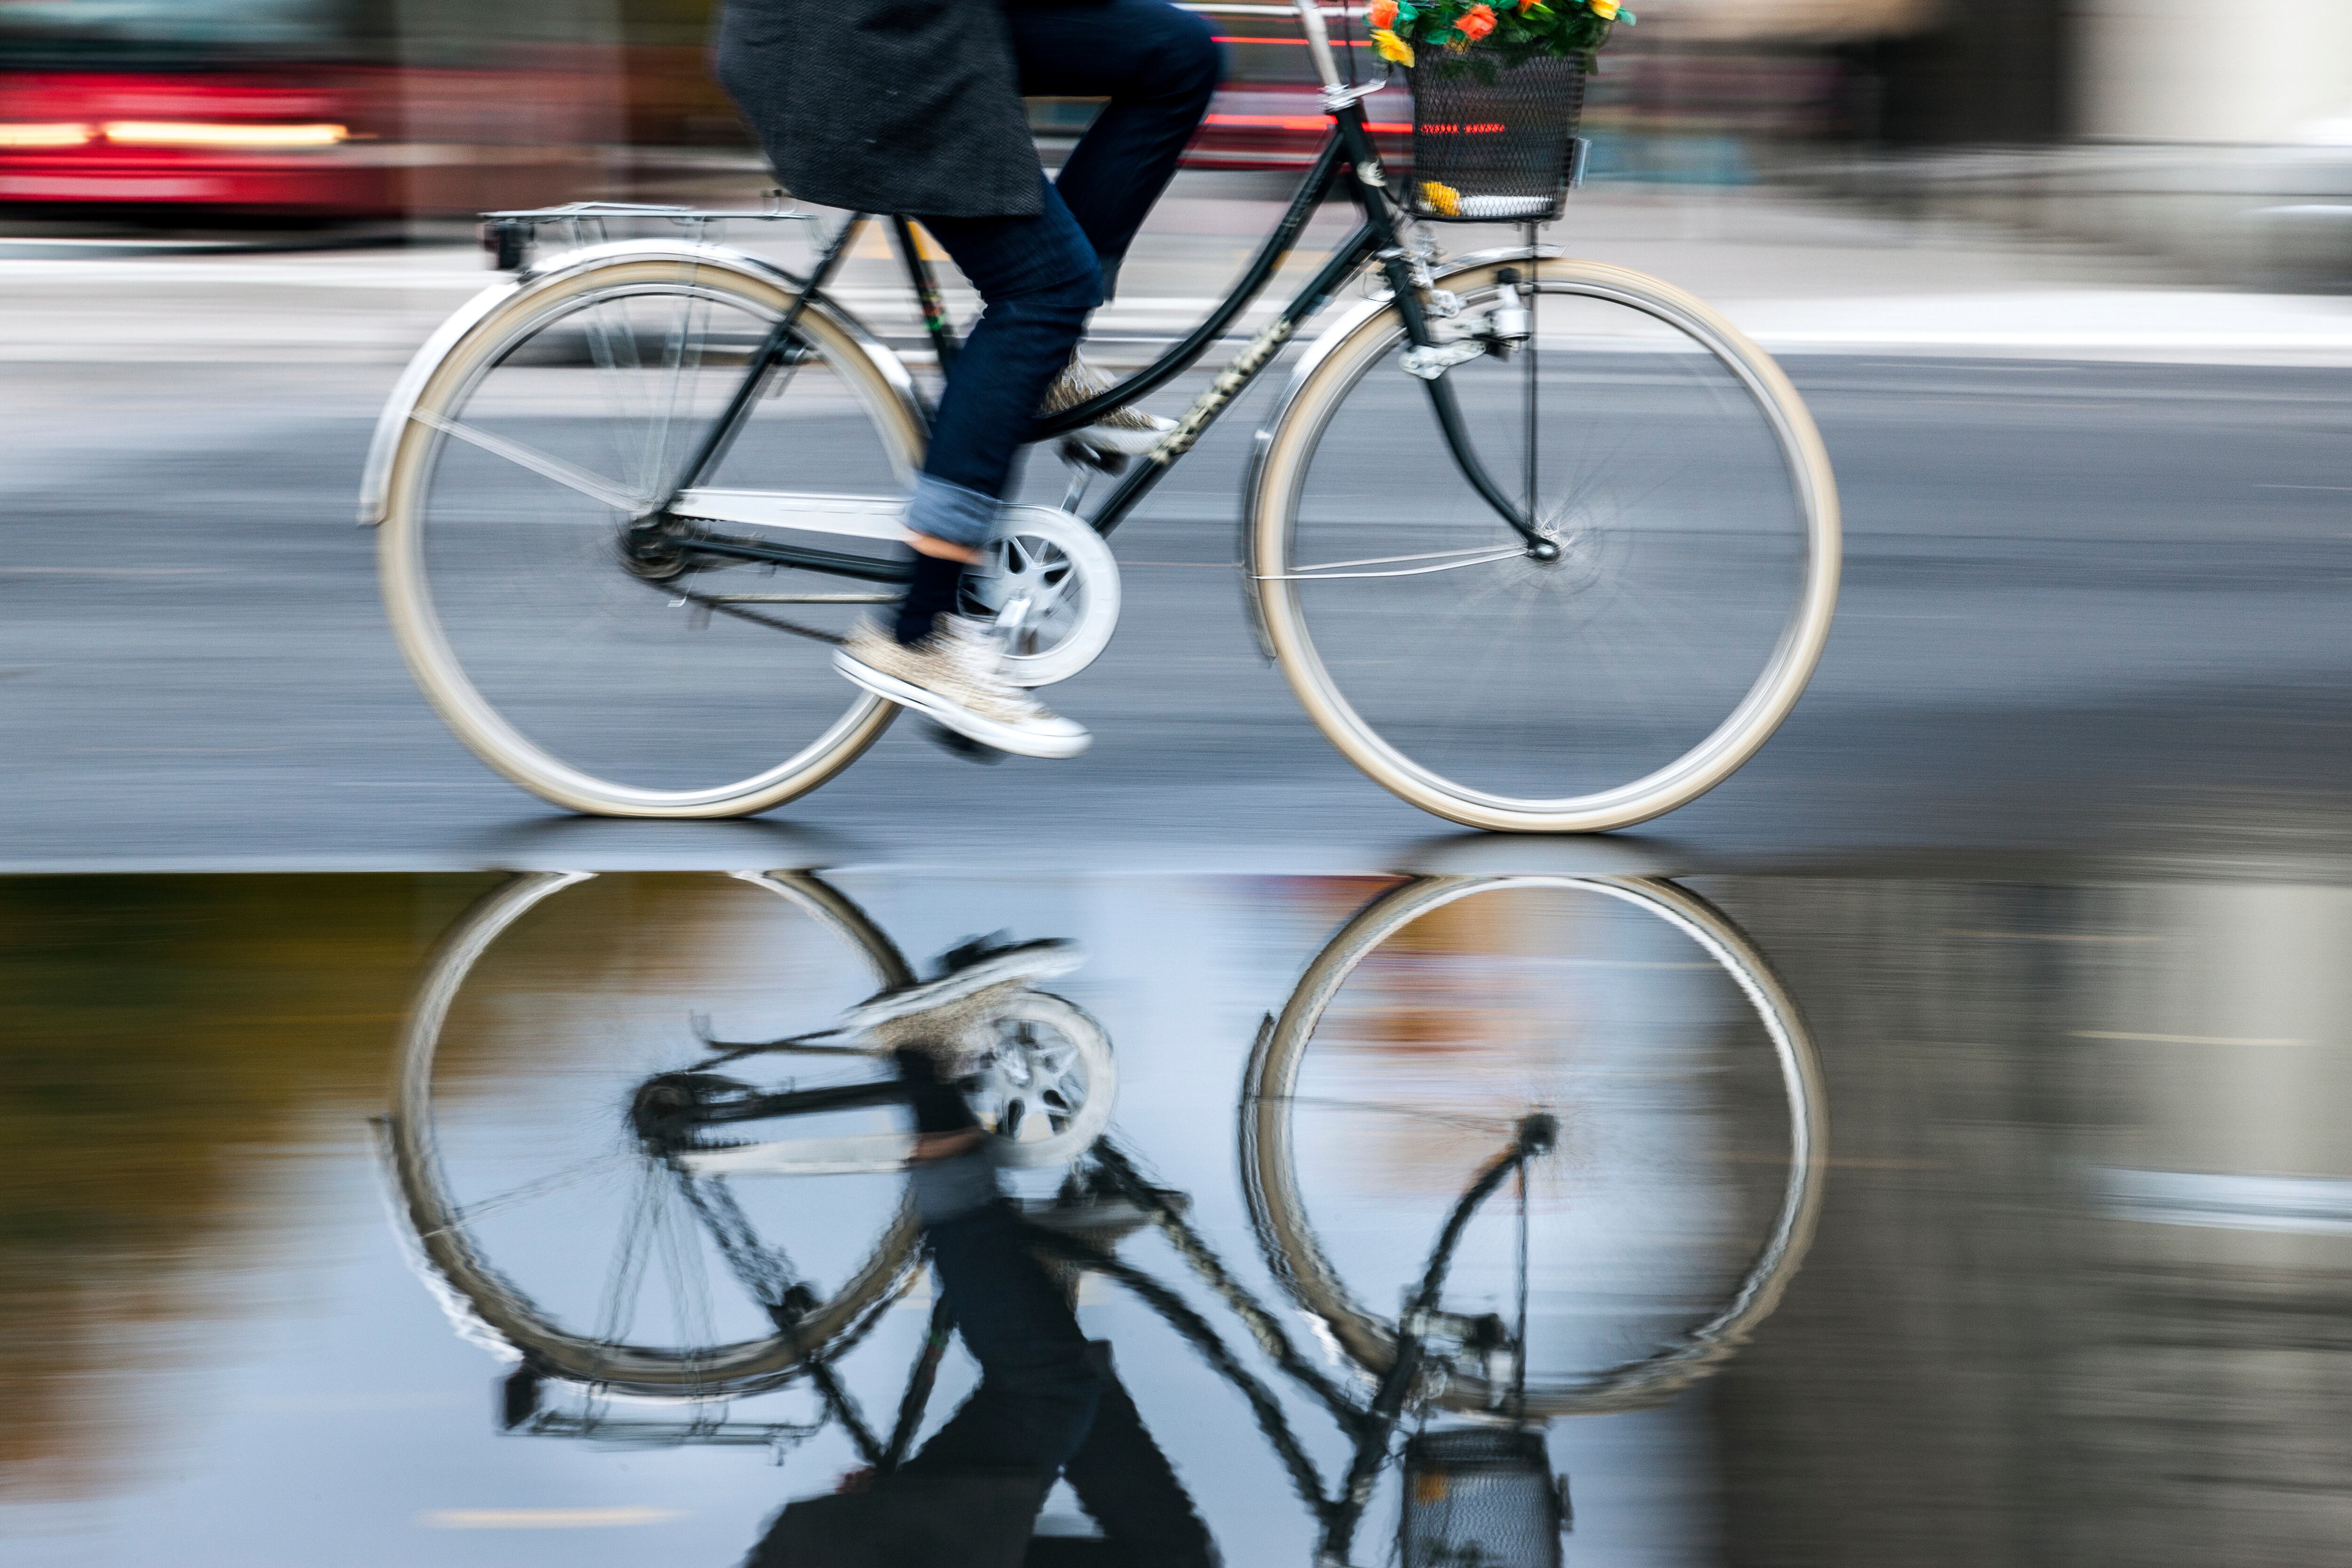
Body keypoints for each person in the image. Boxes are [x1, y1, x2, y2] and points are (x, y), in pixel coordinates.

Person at [716, 0, 1224, 760]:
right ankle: (919, 633)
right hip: (862, 46)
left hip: (928, 23)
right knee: (1042, 289)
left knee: (1179, 53)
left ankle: (1043, 363)